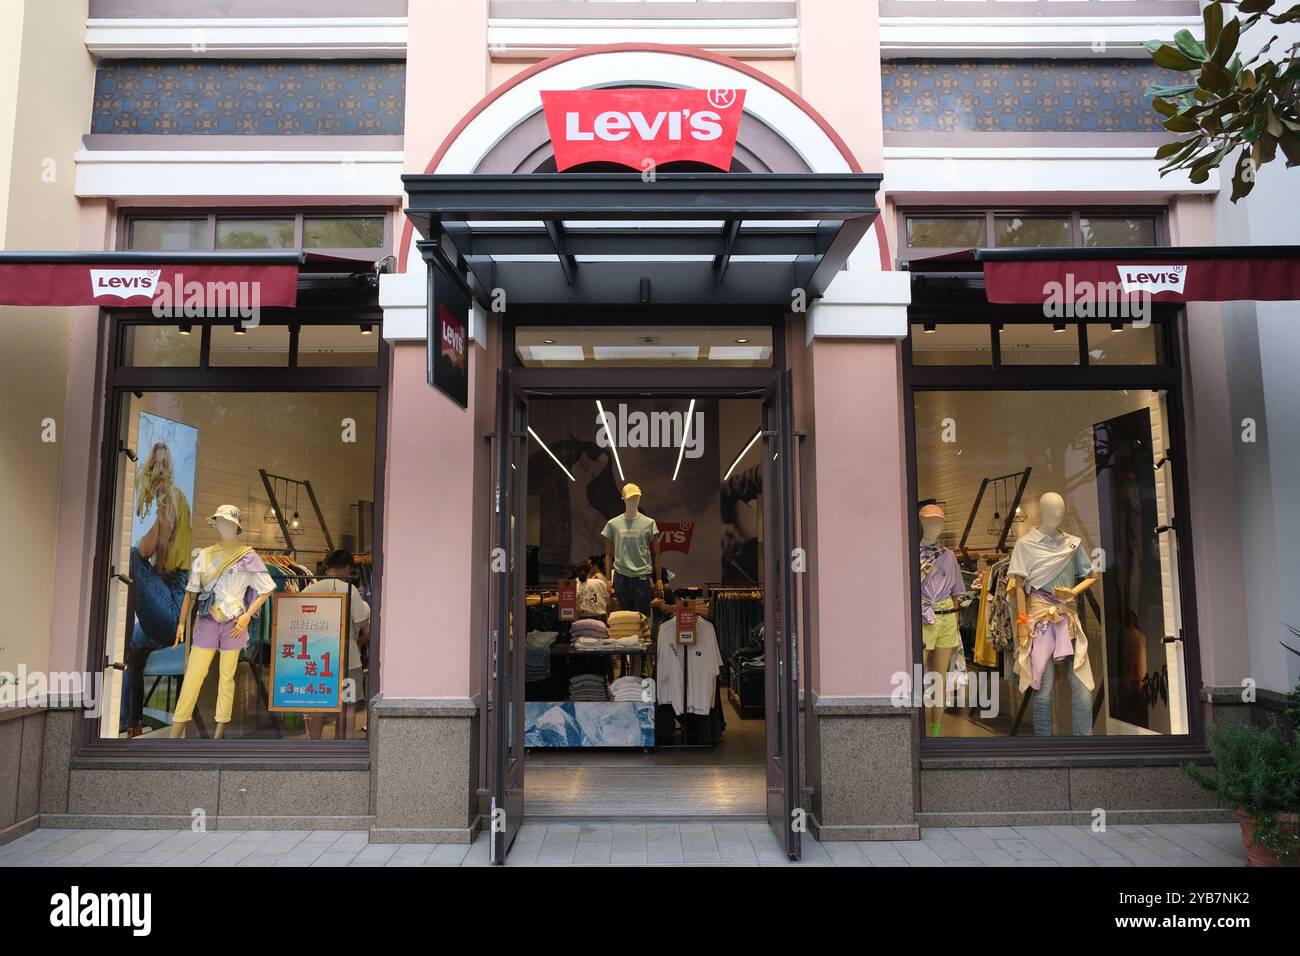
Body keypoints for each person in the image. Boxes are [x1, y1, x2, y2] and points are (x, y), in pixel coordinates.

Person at [119, 442, 193, 737]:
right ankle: (132, 726)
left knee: (129, 557)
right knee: (129, 655)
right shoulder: (166, 501)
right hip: (162, 600)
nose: (159, 470)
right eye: (155, 464)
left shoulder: (172, 498)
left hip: (174, 603)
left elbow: (149, 548)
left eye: (164, 465)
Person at [301, 550, 371, 739]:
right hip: (347, 657)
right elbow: (362, 624)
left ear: (327, 566)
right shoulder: (350, 590)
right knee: (347, 703)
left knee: (316, 702)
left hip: (316, 658)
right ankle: (343, 746)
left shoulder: (309, 590)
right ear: (347, 568)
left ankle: (313, 745)